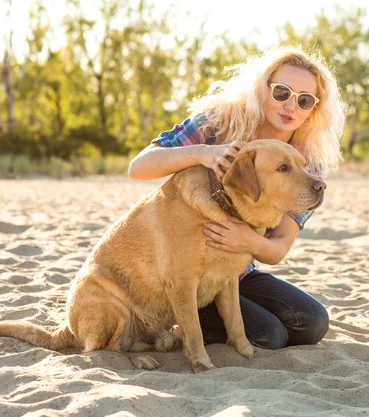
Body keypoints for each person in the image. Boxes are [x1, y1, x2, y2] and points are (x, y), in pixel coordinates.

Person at [128, 46, 345, 350]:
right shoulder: (217, 123)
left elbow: (278, 247)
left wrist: (248, 240)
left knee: (312, 322)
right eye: (282, 92)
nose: (290, 106)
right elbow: (138, 167)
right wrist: (204, 153)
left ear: (314, 109)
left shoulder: (308, 166)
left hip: (237, 272)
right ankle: (177, 319)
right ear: (262, 88)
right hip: (186, 268)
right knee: (270, 335)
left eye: (304, 100)